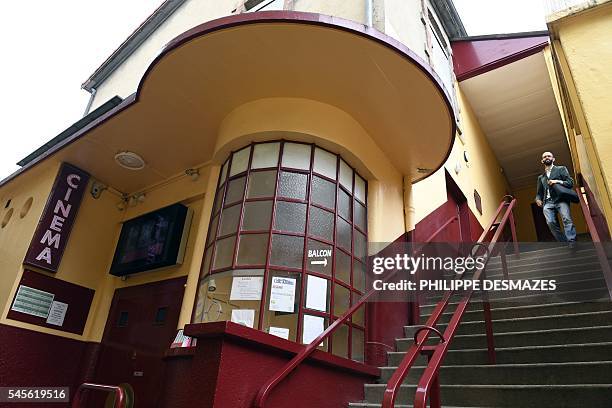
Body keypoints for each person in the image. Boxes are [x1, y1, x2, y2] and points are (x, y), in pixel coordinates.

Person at [535, 151, 577, 248]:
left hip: (561, 199)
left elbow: (570, 182)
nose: (547, 158)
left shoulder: (561, 169)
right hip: (548, 202)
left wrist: (557, 181)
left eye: (549, 156)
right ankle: (563, 242)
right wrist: (538, 199)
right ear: (542, 161)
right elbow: (539, 193)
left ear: (553, 159)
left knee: (567, 219)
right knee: (550, 223)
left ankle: (572, 241)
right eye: (544, 157)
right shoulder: (541, 177)